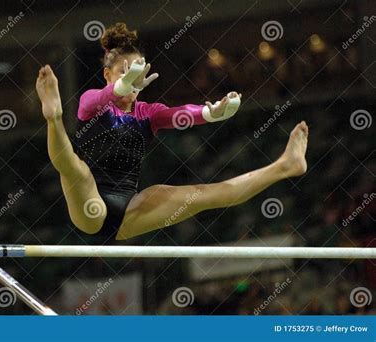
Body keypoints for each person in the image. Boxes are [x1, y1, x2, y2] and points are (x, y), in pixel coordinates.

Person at [35, 22, 308, 242]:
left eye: (136, 74)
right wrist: (120, 87)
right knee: (76, 169)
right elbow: (98, 100)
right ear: (107, 75)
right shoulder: (92, 102)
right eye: (123, 73)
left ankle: (285, 166)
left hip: (129, 212)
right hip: (89, 207)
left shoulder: (147, 113)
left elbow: (180, 115)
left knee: (202, 195)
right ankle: (54, 117)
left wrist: (210, 113)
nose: (132, 80)